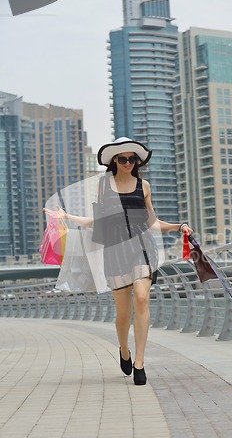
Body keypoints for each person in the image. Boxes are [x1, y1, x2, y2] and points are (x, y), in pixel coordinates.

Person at [44, 137, 192, 385]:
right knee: (123, 313)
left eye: (132, 159)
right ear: (114, 160)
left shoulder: (144, 186)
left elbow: (151, 223)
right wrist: (66, 216)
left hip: (142, 247)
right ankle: (124, 350)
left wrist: (179, 227)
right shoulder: (104, 185)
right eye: (123, 159)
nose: (128, 163)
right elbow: (98, 221)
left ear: (137, 160)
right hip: (114, 250)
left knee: (142, 298)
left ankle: (140, 363)